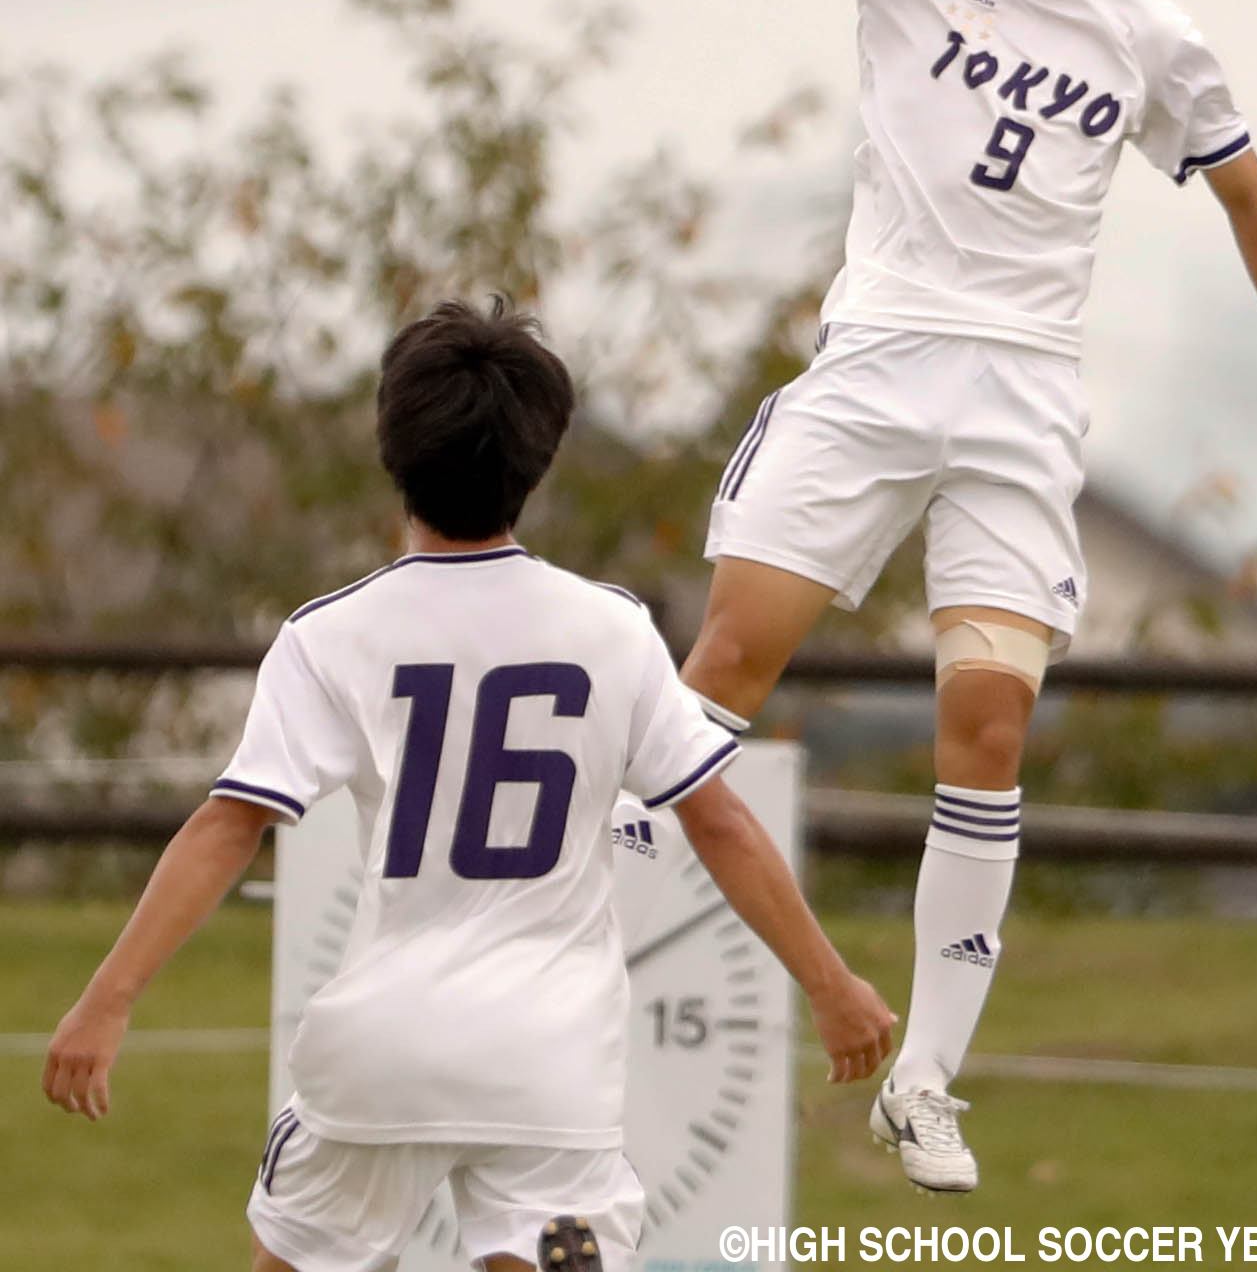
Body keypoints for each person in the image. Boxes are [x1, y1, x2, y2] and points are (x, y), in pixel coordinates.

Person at [681, 0, 1257, 1195]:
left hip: (1017, 404)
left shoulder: (1141, 32)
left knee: (984, 724)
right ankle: (539, 924)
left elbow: (1250, 195)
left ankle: (922, 1076)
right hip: (874, 366)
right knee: (718, 678)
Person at [44, 298, 894, 1272]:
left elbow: (226, 827)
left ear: (391, 449)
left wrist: (107, 1001)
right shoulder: (608, 630)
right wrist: (832, 988)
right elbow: (722, 826)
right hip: (550, 1063)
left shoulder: (330, 636)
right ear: (538, 459)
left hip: (378, 1052)